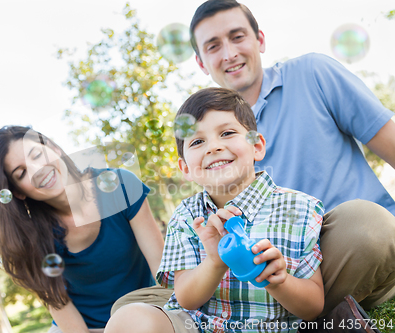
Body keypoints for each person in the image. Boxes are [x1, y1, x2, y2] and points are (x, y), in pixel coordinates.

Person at [188, 0, 395, 314]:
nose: (229, 53)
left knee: (369, 226)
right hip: (279, 270)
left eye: (237, 36)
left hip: (350, 245)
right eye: (213, 46)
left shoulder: (313, 72)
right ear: (202, 62)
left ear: (260, 40)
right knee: (135, 305)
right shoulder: (210, 140)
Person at [106, 87, 325, 333]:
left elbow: (314, 305)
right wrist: (214, 262)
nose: (213, 147)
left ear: (257, 146)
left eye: (227, 133)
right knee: (129, 320)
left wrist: (279, 281)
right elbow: (186, 298)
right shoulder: (188, 215)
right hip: (197, 327)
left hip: (270, 327)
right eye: (198, 141)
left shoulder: (300, 207)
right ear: (185, 168)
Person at [0, 126, 164, 333]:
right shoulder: (30, 238)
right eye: (22, 173)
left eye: (37, 155)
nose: (37, 170)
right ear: (18, 192)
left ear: (53, 148)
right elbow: (62, 308)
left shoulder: (120, 186)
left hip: (141, 313)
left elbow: (162, 271)